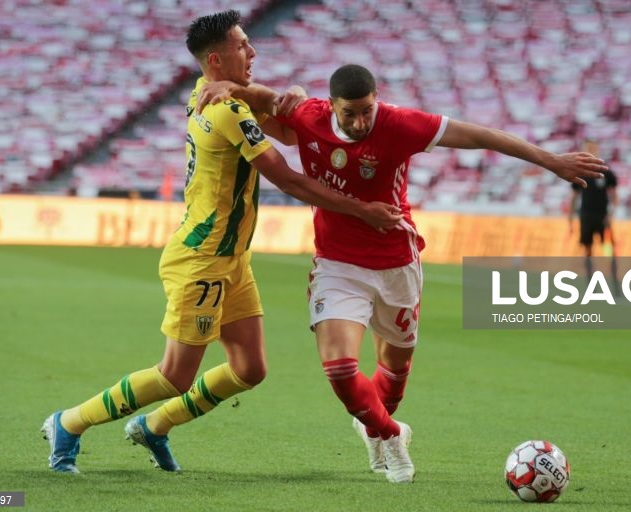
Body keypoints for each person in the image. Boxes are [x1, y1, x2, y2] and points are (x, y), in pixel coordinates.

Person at [196, 64, 608, 483]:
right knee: (339, 368)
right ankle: (392, 437)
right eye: (349, 114)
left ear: (377, 100)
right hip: (337, 264)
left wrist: (551, 161)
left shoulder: (399, 124)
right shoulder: (309, 115)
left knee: (393, 379)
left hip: (396, 261)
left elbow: (479, 135)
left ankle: (378, 424)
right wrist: (234, 86)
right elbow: (269, 99)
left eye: (367, 111)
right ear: (331, 106)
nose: (360, 122)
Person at [40, 11, 402, 474]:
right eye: (243, 46)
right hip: (203, 259)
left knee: (250, 369)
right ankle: (69, 422)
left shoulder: (207, 91)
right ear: (217, 59)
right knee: (175, 374)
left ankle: (154, 426)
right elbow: (286, 178)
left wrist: (291, 97)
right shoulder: (226, 109)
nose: (252, 53)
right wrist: (361, 209)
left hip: (232, 259)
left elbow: (282, 115)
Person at [569, 138, 618, 285]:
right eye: (588, 148)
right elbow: (573, 197)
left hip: (603, 217)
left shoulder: (606, 172)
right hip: (586, 217)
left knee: (609, 249)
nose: (591, 151)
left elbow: (614, 196)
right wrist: (570, 219)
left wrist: (610, 213)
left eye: (593, 148)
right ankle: (591, 284)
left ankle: (615, 283)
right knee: (588, 251)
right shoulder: (579, 173)